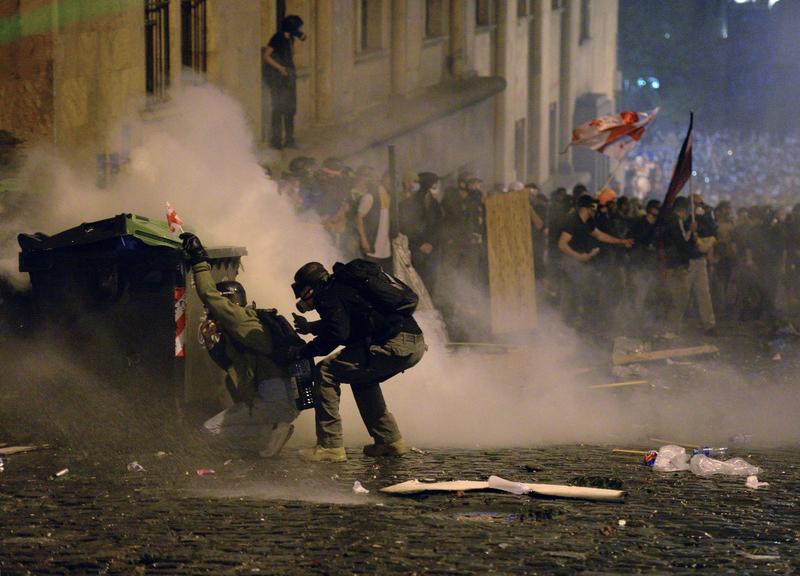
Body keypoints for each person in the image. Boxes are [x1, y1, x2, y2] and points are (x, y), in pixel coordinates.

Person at [290, 261, 426, 462]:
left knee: (325, 371)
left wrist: (304, 351)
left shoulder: (326, 294)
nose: (302, 299)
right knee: (361, 377)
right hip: (413, 343)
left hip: (393, 345)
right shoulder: (344, 285)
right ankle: (389, 441)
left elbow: (338, 333)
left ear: (310, 288)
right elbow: (349, 321)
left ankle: (330, 446)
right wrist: (311, 328)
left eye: (302, 292)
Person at [181, 233, 298, 457]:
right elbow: (230, 364)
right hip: (280, 398)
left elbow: (208, 294)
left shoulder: (238, 320)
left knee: (208, 432)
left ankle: (269, 431)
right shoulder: (243, 327)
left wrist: (198, 259)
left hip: (273, 398)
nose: (209, 314)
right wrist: (212, 343)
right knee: (218, 428)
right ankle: (271, 430)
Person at [558, 195, 633, 326]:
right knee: (572, 294)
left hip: (582, 263)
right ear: (585, 208)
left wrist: (621, 241)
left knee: (588, 290)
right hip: (571, 263)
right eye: (593, 206)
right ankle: (567, 324)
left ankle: (585, 322)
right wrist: (578, 256)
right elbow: (562, 244)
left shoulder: (588, 221)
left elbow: (600, 235)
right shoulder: (573, 221)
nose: (596, 209)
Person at [663, 196, 716, 335]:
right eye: (696, 203)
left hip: (699, 258)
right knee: (682, 295)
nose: (699, 206)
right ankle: (672, 327)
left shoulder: (703, 218)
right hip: (687, 261)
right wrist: (690, 229)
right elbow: (682, 240)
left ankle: (709, 324)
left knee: (704, 293)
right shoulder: (682, 220)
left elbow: (710, 231)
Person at [263, 15, 306, 149]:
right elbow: (266, 56)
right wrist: (280, 68)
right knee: (278, 108)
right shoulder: (278, 38)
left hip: (289, 75)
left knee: (290, 109)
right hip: (279, 78)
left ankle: (289, 140)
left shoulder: (290, 38)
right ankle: (276, 141)